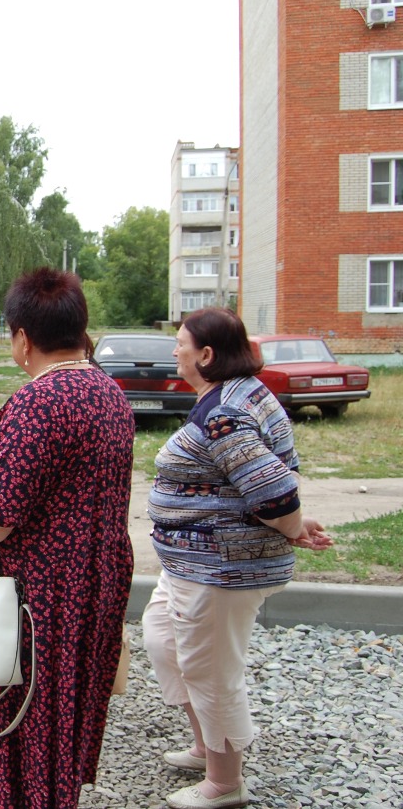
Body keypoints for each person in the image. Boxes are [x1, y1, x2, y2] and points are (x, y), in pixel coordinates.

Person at [0, 268, 135, 809]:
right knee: (64, 719)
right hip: (93, 585)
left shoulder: (40, 404)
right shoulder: (108, 394)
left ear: (22, 338)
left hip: (36, 599)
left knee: (18, 724)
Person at [141, 307, 333, 809]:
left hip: (221, 567)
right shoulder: (231, 395)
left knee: (209, 668)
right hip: (194, 563)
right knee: (162, 637)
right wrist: (292, 524)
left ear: (206, 354)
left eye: (180, 343)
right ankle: (207, 745)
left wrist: (291, 526)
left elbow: (272, 489)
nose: (174, 350)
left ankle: (225, 783)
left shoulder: (224, 412)